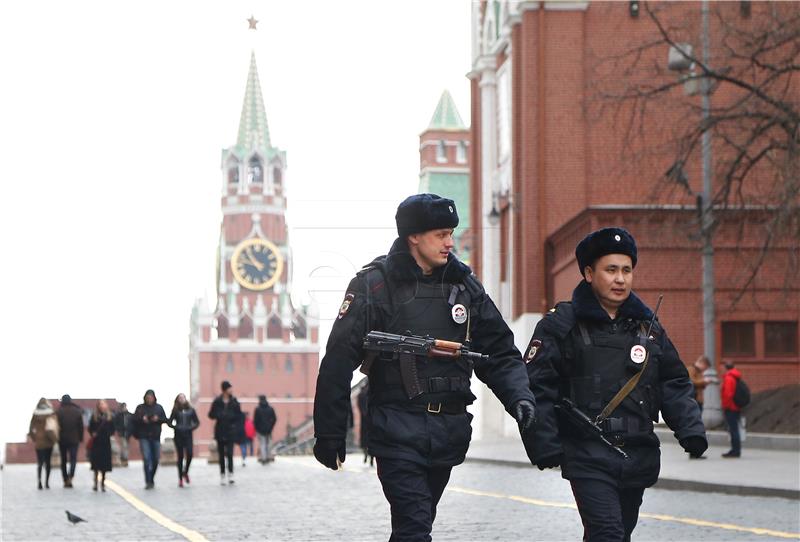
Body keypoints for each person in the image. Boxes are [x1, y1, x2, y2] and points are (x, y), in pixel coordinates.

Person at [313, 193, 537, 541]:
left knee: (415, 524)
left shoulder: (465, 287)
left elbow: (499, 351)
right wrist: (329, 432)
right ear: (413, 236)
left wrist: (520, 398)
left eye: (451, 233)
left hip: (448, 430)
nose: (450, 242)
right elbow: (338, 361)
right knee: (415, 525)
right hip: (396, 429)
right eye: (441, 234)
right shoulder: (373, 285)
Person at [525, 227, 708, 542]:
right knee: (607, 532)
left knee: (617, 534)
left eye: (626, 270)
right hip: (586, 453)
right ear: (588, 273)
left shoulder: (648, 328)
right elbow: (536, 386)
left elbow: (673, 382)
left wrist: (690, 429)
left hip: (636, 452)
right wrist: (543, 443)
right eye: (611, 270)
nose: (620, 279)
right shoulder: (561, 325)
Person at [209, 380, 242, 484]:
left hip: (230, 430)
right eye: (229, 388)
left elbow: (239, 415)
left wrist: (234, 422)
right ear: (225, 389)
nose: (231, 390)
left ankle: (231, 474)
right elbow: (211, 415)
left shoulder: (234, 401)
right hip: (220, 430)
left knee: (230, 453)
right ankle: (222, 474)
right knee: (222, 454)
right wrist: (219, 415)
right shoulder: (217, 401)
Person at [133, 389, 167, 489]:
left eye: (151, 397)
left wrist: (158, 419)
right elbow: (134, 419)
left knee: (156, 459)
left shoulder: (159, 408)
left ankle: (151, 477)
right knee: (147, 459)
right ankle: (148, 481)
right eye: (147, 397)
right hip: (144, 436)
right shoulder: (140, 408)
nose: (149, 399)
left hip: (156, 436)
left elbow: (165, 419)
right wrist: (142, 419)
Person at [168, 393, 199, 487]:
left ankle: (185, 472)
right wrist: (176, 427)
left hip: (188, 435)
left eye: (183, 397)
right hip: (178, 436)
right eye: (180, 398)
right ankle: (180, 479)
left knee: (190, 454)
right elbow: (169, 422)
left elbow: (197, 422)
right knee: (180, 457)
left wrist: (191, 427)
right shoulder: (175, 410)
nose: (182, 399)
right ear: (177, 400)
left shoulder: (191, 410)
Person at [28, 397, 59, 490]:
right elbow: (54, 426)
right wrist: (55, 440)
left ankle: (39, 481)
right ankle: (47, 482)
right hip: (49, 441)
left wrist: (35, 438)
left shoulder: (35, 413)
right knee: (48, 463)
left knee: (40, 463)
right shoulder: (51, 413)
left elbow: (30, 429)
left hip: (39, 442)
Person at [56, 394, 84, 488]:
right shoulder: (77, 411)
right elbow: (81, 427)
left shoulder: (59, 411)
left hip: (62, 439)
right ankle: (70, 477)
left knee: (63, 460)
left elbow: (56, 426)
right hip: (74, 439)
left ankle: (65, 478)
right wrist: (80, 438)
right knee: (73, 459)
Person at [88, 399, 115, 492]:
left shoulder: (110, 417)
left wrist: (109, 433)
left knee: (104, 465)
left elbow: (113, 429)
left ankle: (103, 483)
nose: (102, 406)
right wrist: (93, 433)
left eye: (104, 404)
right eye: (101, 404)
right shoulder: (94, 416)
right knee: (96, 464)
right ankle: (95, 482)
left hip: (105, 442)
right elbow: (90, 428)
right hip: (96, 442)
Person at [721, 361, 743, 458]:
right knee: (735, 429)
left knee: (733, 430)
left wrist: (725, 406)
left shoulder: (729, 378)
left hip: (731, 407)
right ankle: (735, 450)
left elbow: (728, 394)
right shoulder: (735, 377)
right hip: (735, 406)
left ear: (725, 368)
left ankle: (735, 451)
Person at [253, 394, 277, 464]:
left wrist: (257, 428)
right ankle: (268, 456)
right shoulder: (270, 408)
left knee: (262, 444)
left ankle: (264, 458)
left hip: (260, 430)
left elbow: (255, 420)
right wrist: (271, 426)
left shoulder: (257, 409)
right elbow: (274, 419)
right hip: (269, 429)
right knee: (268, 443)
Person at [357, 381, 373, 466]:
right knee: (372, 438)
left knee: (365, 439)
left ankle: (366, 455)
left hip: (364, 419)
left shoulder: (361, 393)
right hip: (372, 418)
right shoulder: (372, 391)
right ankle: (371, 458)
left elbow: (359, 406)